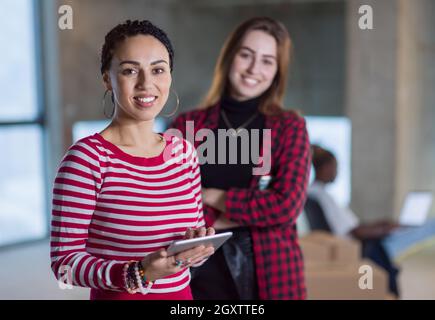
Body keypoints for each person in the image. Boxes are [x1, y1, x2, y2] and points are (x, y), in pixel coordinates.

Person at [50, 20, 215, 300]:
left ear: (170, 76)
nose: (146, 83)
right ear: (107, 78)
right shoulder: (86, 159)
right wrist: (138, 273)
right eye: (130, 70)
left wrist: (194, 250)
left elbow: (188, 250)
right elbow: (64, 264)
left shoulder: (184, 153)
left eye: (158, 70)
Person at [170, 17, 311, 300]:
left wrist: (210, 196)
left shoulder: (289, 127)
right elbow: (170, 204)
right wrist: (239, 216)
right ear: (230, 56)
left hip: (271, 273)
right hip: (197, 274)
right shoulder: (188, 125)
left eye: (267, 61)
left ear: (277, 72)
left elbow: (285, 207)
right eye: (246, 55)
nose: (253, 69)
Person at [307, 144, 435, 297]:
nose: (337, 172)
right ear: (326, 167)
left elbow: (354, 225)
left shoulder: (315, 193)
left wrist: (383, 224)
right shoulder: (324, 197)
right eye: (336, 167)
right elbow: (355, 231)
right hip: (367, 247)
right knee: (430, 225)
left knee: (416, 226)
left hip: (364, 242)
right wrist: (385, 229)